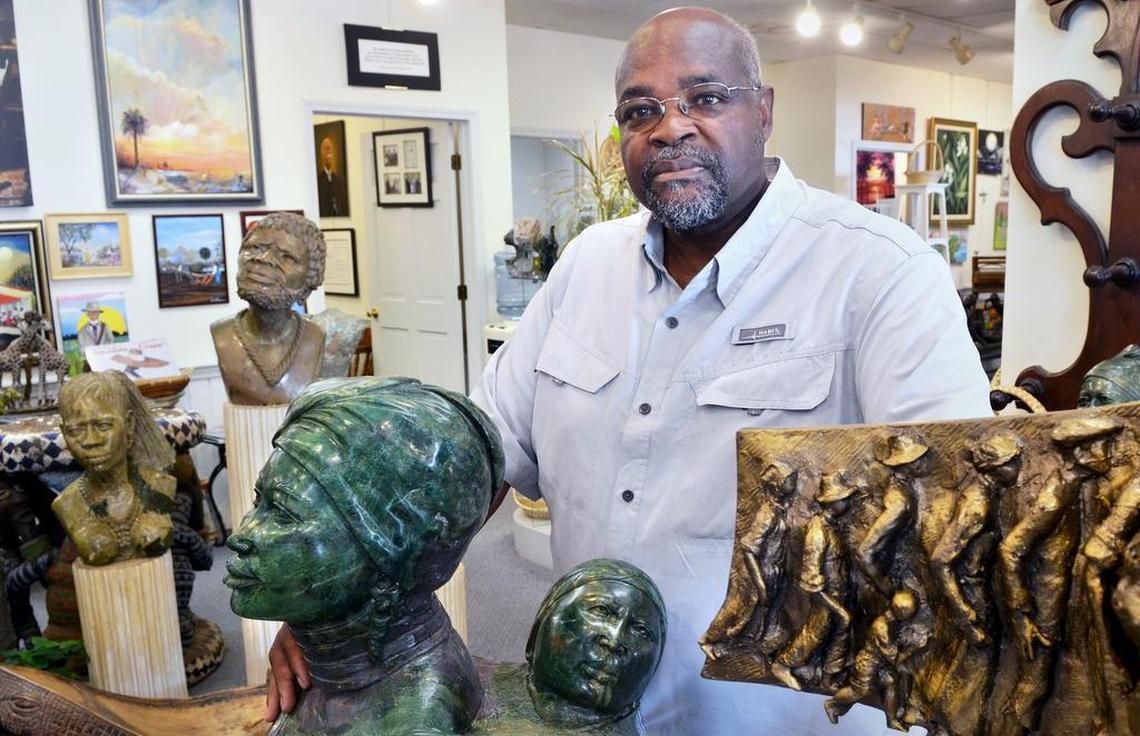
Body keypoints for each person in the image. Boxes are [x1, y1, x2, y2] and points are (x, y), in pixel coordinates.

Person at [267, 6, 991, 733]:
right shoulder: (587, 265)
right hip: (586, 710)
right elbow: (475, 462)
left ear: (764, 110)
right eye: (641, 110)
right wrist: (344, 608)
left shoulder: (879, 274)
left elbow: (959, 525)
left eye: (705, 97)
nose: (670, 127)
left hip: (780, 720)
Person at [226, 377, 503, 735]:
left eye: (282, 512)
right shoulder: (337, 674)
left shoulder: (411, 724)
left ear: (395, 549)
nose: (239, 537)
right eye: (258, 501)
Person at [52, 371, 176, 566]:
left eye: (103, 425)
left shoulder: (159, 486)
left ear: (129, 424)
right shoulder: (68, 503)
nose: (90, 441)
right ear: (63, 432)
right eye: (75, 431)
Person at [210, 212, 326, 406]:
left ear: (309, 282)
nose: (263, 259)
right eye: (254, 248)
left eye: (287, 257)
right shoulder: (222, 335)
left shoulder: (315, 337)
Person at [316, 136, 348, 217]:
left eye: (331, 149)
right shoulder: (318, 182)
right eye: (326, 149)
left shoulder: (339, 182)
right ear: (322, 153)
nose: (329, 152)